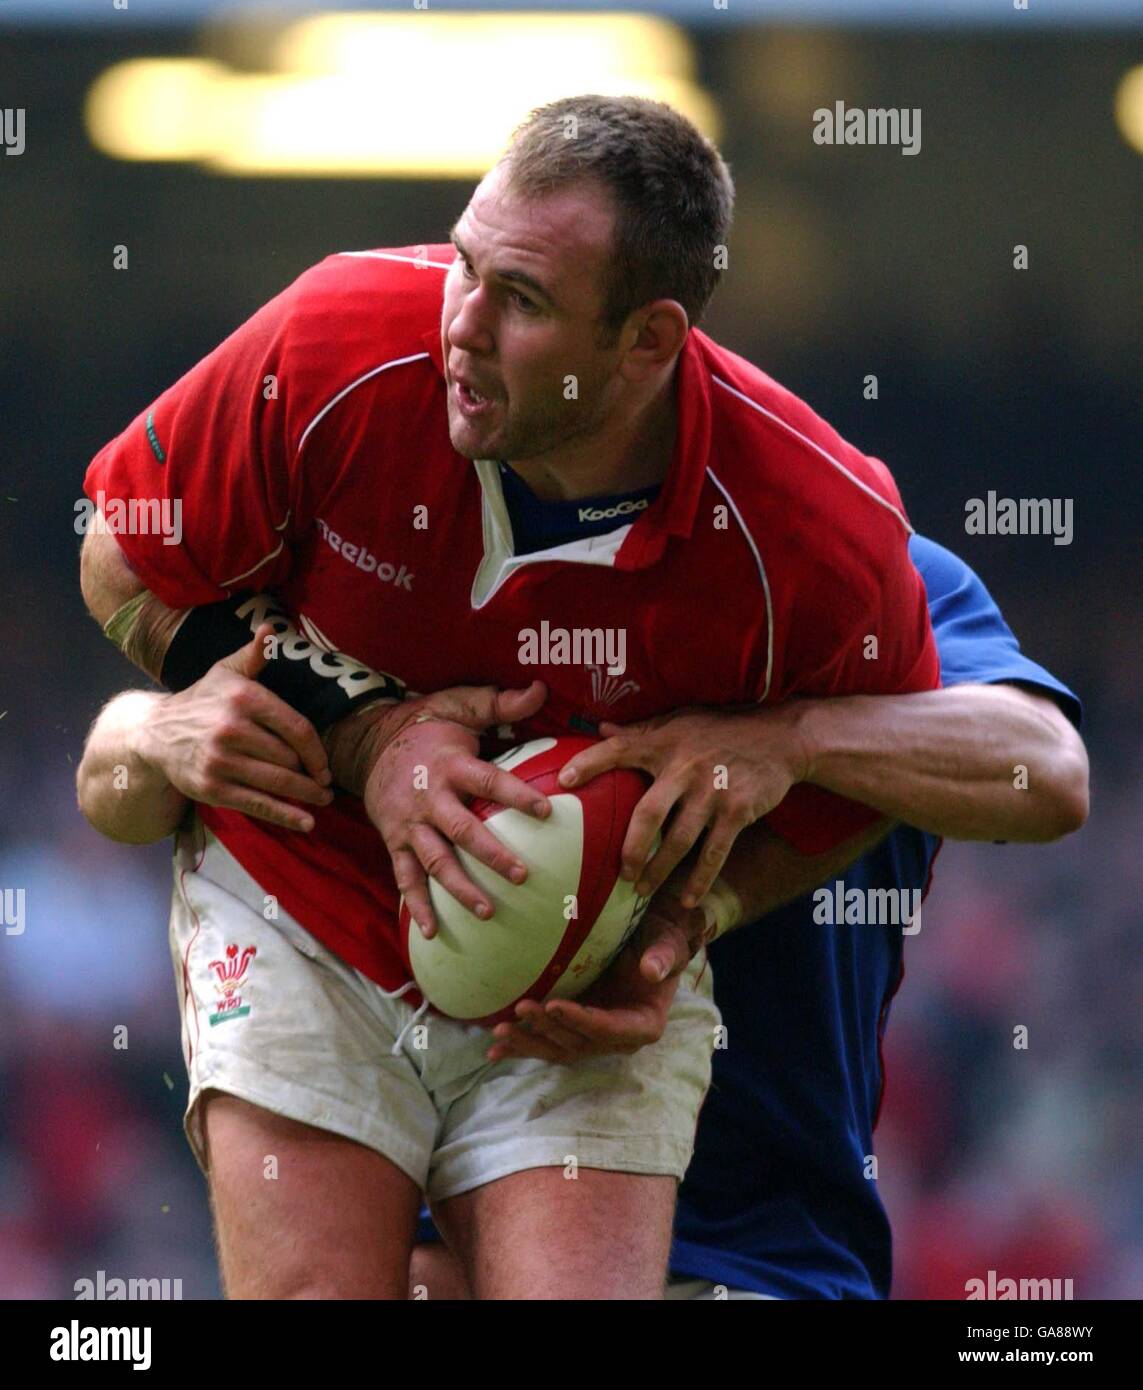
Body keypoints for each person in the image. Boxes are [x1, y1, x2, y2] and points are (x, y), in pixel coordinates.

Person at [76, 94, 941, 1299]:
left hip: (572, 987)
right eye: (464, 264)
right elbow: (122, 557)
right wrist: (370, 737)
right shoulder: (337, 336)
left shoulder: (814, 526)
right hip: (301, 893)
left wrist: (694, 914)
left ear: (648, 341)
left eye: (522, 301)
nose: (460, 326)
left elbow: (872, 769)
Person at [405, 534, 1088, 1298]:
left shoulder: (881, 572)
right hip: (463, 1228)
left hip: (756, 1250)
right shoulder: (500, 566)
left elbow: (1047, 768)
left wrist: (795, 743)